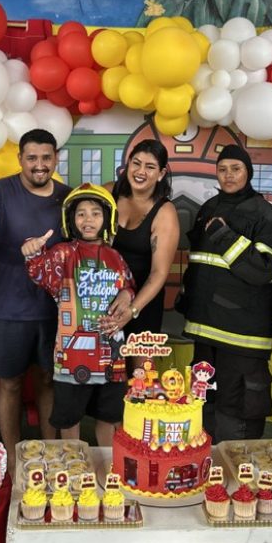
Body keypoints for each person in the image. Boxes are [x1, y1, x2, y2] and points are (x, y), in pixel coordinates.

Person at [0, 129, 71, 463]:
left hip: (55, 311)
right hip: (7, 309)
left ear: (55, 158)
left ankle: (51, 451)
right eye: (32, 158)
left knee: (49, 382)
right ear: (20, 159)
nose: (39, 165)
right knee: (9, 384)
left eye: (46, 158)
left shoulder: (68, 198)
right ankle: (12, 457)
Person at [177, 144, 272, 442]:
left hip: (242, 335)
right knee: (203, 399)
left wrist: (225, 237)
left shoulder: (266, 215)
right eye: (222, 169)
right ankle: (208, 468)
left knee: (236, 408)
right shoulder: (209, 208)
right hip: (205, 329)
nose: (228, 175)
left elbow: (264, 270)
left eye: (235, 169)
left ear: (248, 172)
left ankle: (240, 474)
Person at [22, 183, 134, 445]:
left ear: (107, 218)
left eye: (95, 213)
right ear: (70, 219)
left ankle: (108, 472)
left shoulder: (116, 256)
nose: (88, 219)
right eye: (81, 213)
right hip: (72, 358)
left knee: (109, 417)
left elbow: (129, 285)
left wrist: (128, 294)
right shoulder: (63, 253)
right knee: (69, 418)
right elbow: (39, 271)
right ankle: (74, 469)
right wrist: (31, 251)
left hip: (112, 353)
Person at [104, 139, 180, 375]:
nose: (140, 171)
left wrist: (132, 310)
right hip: (102, 297)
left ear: (161, 174)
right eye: (136, 163)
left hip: (143, 303)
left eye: (150, 166)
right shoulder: (107, 192)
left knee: (140, 375)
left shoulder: (164, 212)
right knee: (102, 369)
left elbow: (159, 274)